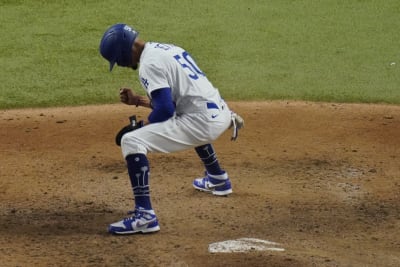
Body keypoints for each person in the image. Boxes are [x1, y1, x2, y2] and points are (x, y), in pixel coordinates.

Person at [99, 23, 243, 235]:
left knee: (132, 141)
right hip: (221, 113)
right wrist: (138, 100)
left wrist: (140, 127)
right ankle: (218, 179)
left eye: (118, 60)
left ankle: (145, 216)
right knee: (186, 117)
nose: (120, 64)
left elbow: (166, 110)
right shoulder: (168, 49)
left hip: (202, 123)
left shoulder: (148, 64)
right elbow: (177, 103)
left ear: (124, 52)